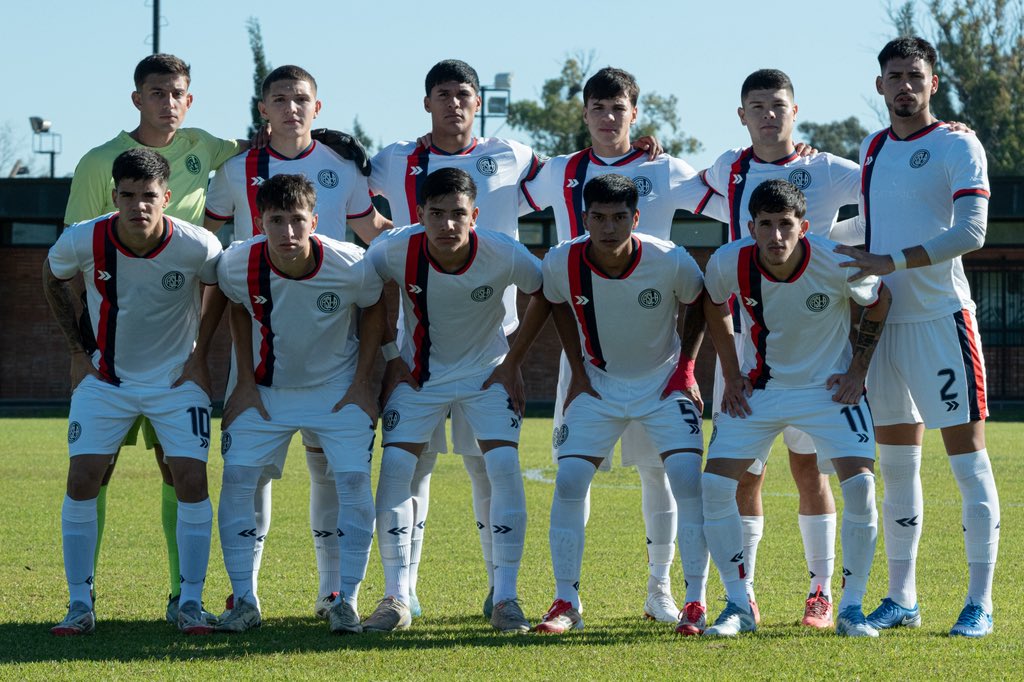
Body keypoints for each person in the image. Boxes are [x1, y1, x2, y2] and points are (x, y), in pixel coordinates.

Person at [521, 66, 723, 628]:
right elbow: (485, 188)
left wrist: (792, 161)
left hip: (657, 352)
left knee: (664, 476)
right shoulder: (559, 171)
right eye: (598, 108)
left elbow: (733, 196)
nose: (608, 118)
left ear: (635, 113)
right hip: (588, 357)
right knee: (571, 477)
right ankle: (567, 598)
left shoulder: (666, 169)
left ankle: (664, 592)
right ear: (584, 113)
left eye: (619, 108)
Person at [203, 64, 391, 620]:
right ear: (263, 108)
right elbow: (207, 250)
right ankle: (244, 596)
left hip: (333, 348)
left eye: (301, 99)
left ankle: (337, 596)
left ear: (317, 107)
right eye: (280, 99)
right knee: (247, 476)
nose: (291, 108)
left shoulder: (343, 168)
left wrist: (442, 236)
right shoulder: (235, 172)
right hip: (263, 356)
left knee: (334, 476)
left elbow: (377, 240)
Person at [836, 36, 998, 638]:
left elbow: (973, 232)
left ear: (934, 82)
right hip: (883, 325)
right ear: (879, 85)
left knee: (968, 465)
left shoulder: (958, 144)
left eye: (915, 75)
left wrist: (891, 261)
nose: (905, 85)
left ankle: (980, 602)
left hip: (940, 321)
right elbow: (875, 222)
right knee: (898, 467)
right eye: (895, 76)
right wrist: (812, 239)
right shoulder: (872, 147)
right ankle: (902, 598)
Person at [695, 68, 868, 628]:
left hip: (817, 353)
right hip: (750, 356)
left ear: (796, 112)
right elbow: (674, 188)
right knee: (742, 477)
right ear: (741, 115)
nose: (769, 115)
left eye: (778, 105)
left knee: (809, 472)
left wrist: (841, 242)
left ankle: (822, 592)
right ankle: (741, 598)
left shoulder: (829, 168)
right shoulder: (727, 167)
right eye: (757, 107)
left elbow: (888, 190)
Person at [700, 179, 890, 638]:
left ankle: (850, 608)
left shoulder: (836, 259)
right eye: (765, 225)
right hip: (760, 390)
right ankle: (738, 604)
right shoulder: (728, 260)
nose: (776, 236)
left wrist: (858, 371)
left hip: (828, 392)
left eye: (786, 224)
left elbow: (880, 299)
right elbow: (712, 301)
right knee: (714, 486)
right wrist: (731, 373)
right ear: (750, 228)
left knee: (861, 487)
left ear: (803, 227)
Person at [45, 148, 223, 635]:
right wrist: (77, 351)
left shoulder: (198, 245)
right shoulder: (85, 238)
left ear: (167, 197)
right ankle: (79, 604)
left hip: (175, 382)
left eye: (148, 196)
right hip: (106, 381)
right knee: (82, 478)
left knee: (191, 479)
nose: (138, 205)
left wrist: (200, 355)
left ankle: (189, 602)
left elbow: (218, 289)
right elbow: (52, 275)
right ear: (114, 197)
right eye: (128, 195)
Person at [364, 167, 544, 633]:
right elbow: (366, 291)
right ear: (419, 213)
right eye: (436, 213)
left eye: (458, 214)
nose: (447, 224)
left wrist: (513, 362)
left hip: (486, 375)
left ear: (475, 215)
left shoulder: (503, 252)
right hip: (420, 376)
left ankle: (506, 598)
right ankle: (396, 597)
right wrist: (391, 358)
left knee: (502, 468)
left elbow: (544, 291)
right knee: (396, 468)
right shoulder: (393, 249)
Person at [533, 174, 706, 634]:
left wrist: (686, 369)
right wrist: (577, 370)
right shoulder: (561, 260)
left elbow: (700, 301)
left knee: (685, 480)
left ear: (636, 217)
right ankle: (566, 601)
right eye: (599, 217)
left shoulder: (670, 259)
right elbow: (556, 303)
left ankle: (687, 599)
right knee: (570, 480)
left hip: (661, 384)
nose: (608, 227)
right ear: (584, 217)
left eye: (619, 217)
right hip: (598, 385)